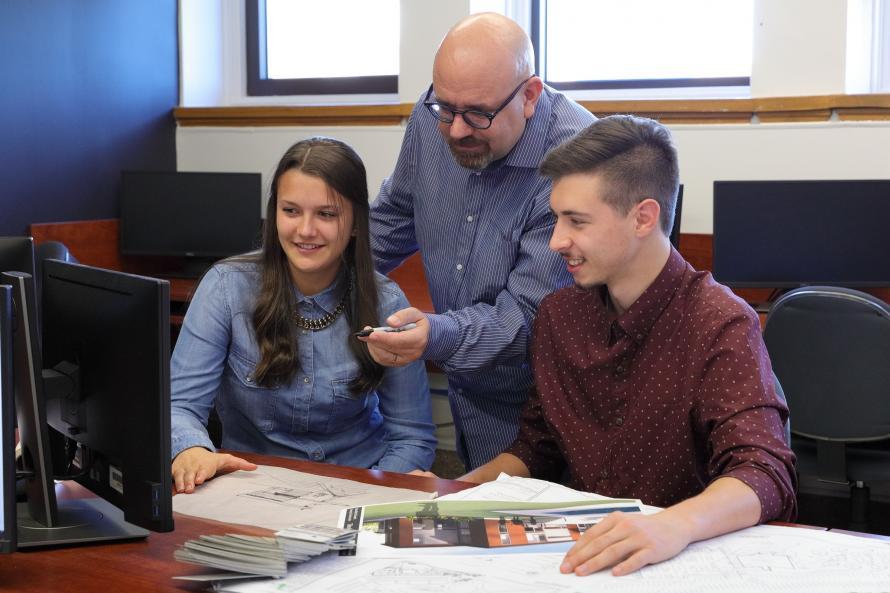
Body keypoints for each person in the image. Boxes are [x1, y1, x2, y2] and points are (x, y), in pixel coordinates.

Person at [460, 116, 797, 575]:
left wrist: (673, 526)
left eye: (576, 222)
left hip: (686, 557)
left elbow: (764, 473)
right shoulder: (560, 315)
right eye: (555, 218)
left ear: (643, 217)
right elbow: (538, 447)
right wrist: (459, 491)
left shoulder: (719, 321)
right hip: (583, 556)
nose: (557, 241)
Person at [363, 13, 595, 470]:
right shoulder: (432, 120)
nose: (455, 130)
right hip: (470, 394)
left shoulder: (577, 158)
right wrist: (306, 268)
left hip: (550, 405)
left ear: (529, 96)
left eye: (477, 114)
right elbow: (393, 217)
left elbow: (528, 322)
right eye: (445, 108)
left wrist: (436, 333)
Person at [170, 137, 437, 493]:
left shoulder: (387, 302)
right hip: (250, 488)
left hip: (358, 488)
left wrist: (371, 493)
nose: (305, 230)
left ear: (357, 222)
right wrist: (190, 449)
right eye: (291, 210)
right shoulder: (225, 287)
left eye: (326, 214)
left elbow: (412, 436)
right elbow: (180, 407)